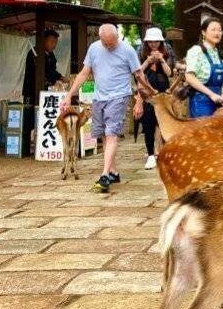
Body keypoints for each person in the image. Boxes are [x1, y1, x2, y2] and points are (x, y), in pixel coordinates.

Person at [61, 23, 155, 193]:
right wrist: (69, 95)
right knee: (103, 135)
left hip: (119, 96)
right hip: (99, 97)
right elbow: (84, 73)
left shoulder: (127, 50)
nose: (110, 46)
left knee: (111, 134)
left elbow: (139, 74)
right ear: (100, 38)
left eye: (113, 42)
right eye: (107, 43)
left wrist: (146, 92)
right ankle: (113, 171)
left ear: (117, 36)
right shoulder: (94, 49)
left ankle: (104, 176)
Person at [134, 27, 175, 170]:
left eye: (156, 41)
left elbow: (169, 73)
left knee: (163, 123)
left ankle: (162, 153)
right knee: (149, 122)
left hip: (163, 90)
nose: (153, 44)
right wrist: (148, 60)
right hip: (147, 90)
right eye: (150, 41)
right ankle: (150, 154)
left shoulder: (167, 50)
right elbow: (137, 72)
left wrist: (162, 60)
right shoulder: (141, 51)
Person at [184, 17, 223, 118]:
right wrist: (211, 94)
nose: (217, 33)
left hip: (220, 101)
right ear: (203, 32)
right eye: (213, 29)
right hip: (201, 100)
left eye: (219, 30)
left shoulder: (221, 55)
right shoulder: (196, 51)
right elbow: (190, 77)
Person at [23, 29, 63, 104]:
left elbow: (52, 70)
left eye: (56, 42)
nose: (54, 45)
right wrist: (60, 77)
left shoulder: (51, 54)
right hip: (32, 91)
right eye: (52, 42)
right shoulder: (35, 52)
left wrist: (60, 78)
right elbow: (45, 70)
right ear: (44, 40)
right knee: (31, 112)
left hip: (46, 91)